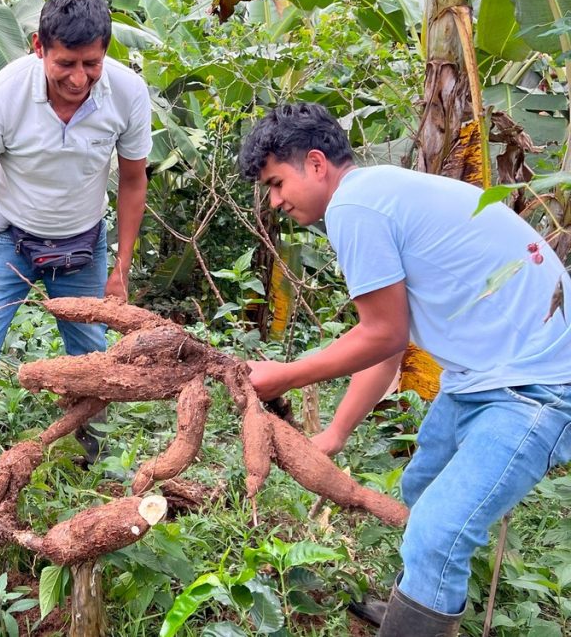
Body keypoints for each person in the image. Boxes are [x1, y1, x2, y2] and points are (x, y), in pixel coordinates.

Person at [239, 102, 571, 637]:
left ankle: (417, 611)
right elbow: (391, 342)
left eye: (277, 184)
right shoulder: (380, 192)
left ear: (317, 163)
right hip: (482, 377)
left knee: (438, 532)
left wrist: (284, 374)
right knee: (423, 486)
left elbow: (382, 334)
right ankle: (415, 606)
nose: (275, 201)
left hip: (536, 388)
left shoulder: (356, 208)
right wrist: (335, 434)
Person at [0, 0, 152, 459]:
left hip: (82, 246)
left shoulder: (128, 94)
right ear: (39, 47)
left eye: (91, 63)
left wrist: (121, 268)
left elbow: (134, 181)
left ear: (106, 51)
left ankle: (93, 460)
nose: (79, 78)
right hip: (7, 238)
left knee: (93, 360)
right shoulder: (1, 97)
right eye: (65, 64)